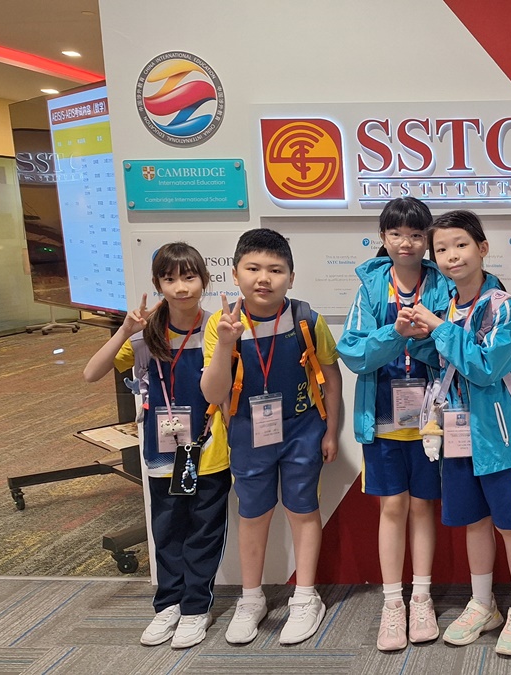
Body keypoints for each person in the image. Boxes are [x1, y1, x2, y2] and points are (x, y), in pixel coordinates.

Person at [402, 210, 511, 657]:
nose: (451, 256)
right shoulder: (445, 307)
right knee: (474, 522)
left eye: (460, 244)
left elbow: (485, 368)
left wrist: (439, 329)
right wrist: (415, 335)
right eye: (441, 249)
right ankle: (484, 604)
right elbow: (441, 361)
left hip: (500, 438)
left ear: (482, 249)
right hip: (457, 435)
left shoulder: (502, 306)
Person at [82, 242, 230, 649]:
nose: (181, 287)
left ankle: (195, 608)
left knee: (203, 532)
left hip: (209, 448)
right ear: (157, 284)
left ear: (204, 280)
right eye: (170, 279)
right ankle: (168, 605)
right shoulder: (146, 334)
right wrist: (125, 331)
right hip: (162, 451)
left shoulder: (217, 327)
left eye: (189, 277)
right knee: (166, 531)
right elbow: (91, 373)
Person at [200, 228, 343, 646]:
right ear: (235, 273)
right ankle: (251, 598)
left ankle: (306, 596)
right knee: (253, 513)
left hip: (302, 429)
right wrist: (226, 344)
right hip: (247, 430)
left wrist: (331, 430)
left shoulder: (307, 319)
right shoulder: (222, 324)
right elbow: (212, 393)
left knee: (303, 510)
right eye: (253, 268)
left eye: (275, 270)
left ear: (291, 277)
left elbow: (331, 378)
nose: (264, 278)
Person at [337, 197, 453, 650]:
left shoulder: (442, 285)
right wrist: (396, 333)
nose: (406, 243)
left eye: (416, 235)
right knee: (392, 507)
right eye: (396, 234)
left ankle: (421, 596)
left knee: (423, 507)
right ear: (382, 238)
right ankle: (392, 602)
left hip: (432, 420)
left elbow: (452, 349)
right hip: (381, 418)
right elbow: (354, 352)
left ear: (428, 240)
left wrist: (420, 339)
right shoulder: (370, 287)